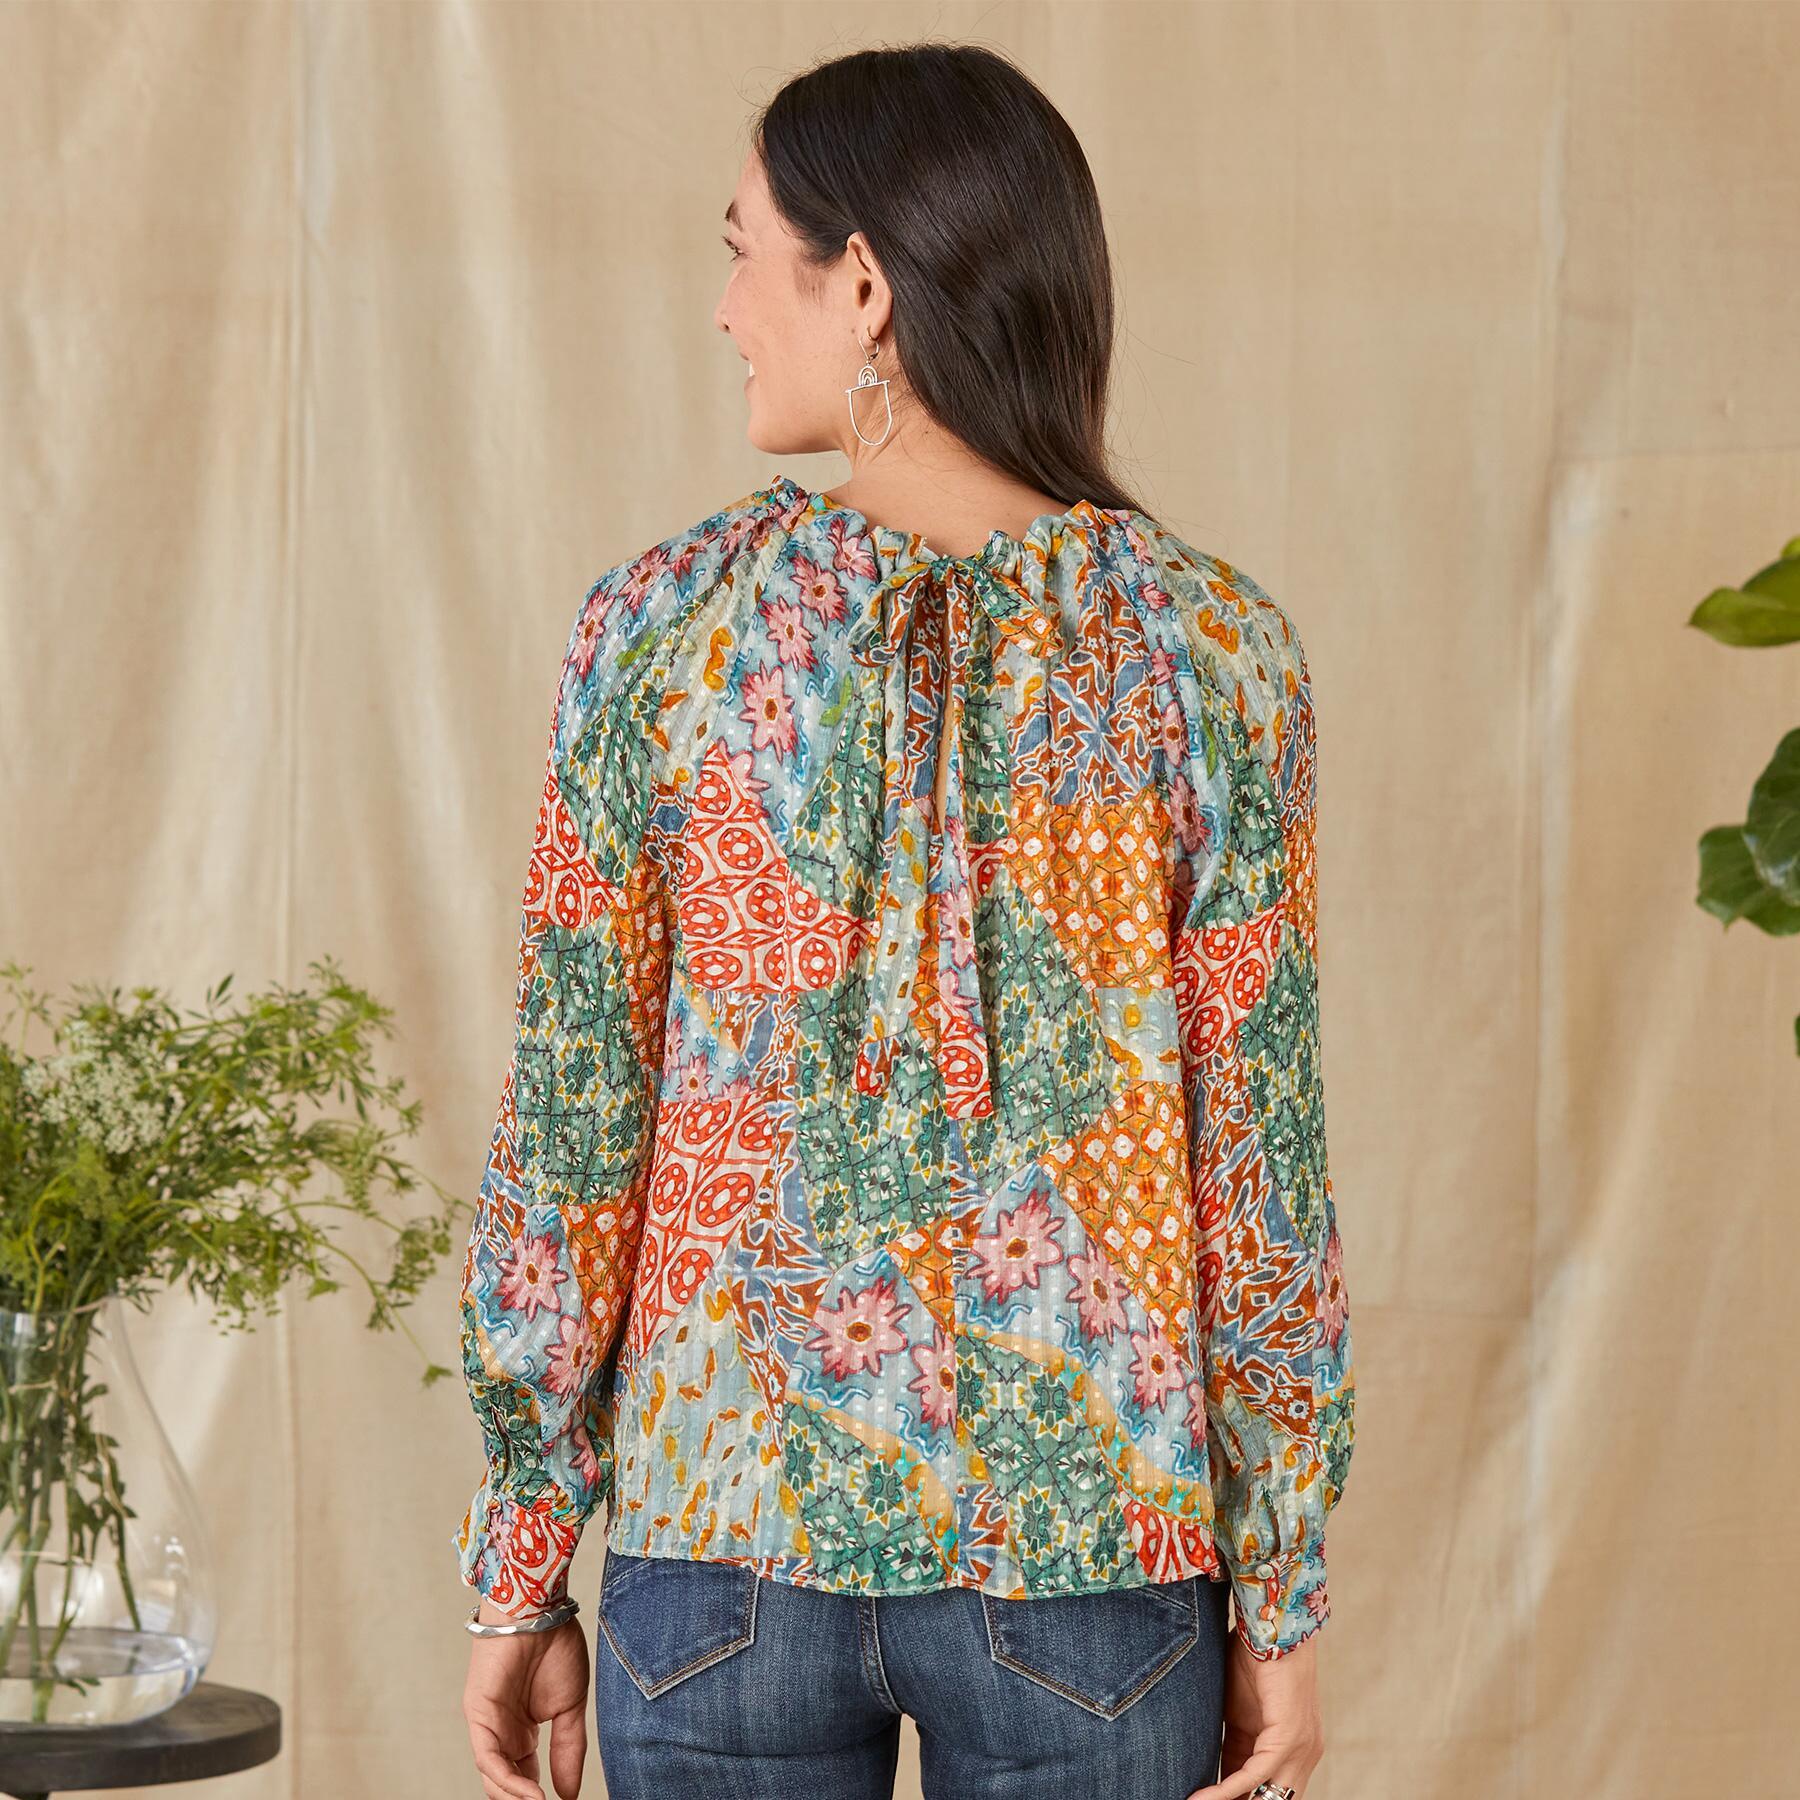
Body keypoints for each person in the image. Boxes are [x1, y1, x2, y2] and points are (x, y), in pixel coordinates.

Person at [453, 39, 1354, 1800]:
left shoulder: (665, 631)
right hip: (1092, 1556)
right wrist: (1283, 1589)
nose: (725, 308)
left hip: (720, 1543)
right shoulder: (1213, 653)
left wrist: (521, 1557)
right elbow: (1259, 1168)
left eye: (743, 253)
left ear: (863, 284)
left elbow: (570, 1127)